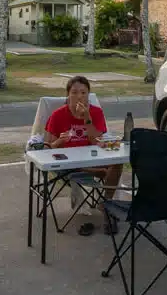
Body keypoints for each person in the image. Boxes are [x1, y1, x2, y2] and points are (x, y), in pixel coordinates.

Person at [44, 75, 122, 235]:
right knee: (98, 169)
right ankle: (99, 177)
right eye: (74, 92)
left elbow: (95, 140)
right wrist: (59, 140)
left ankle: (106, 203)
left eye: (83, 92)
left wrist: (87, 118)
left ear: (89, 94)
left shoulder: (96, 112)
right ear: (68, 95)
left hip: (92, 157)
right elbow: (47, 148)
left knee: (118, 161)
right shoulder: (58, 115)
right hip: (68, 163)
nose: (79, 96)